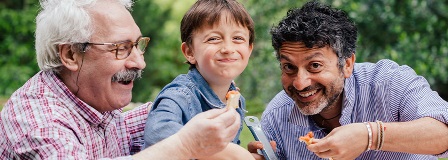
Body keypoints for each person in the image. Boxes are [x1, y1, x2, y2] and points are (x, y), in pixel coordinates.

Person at [0, 0, 242, 159]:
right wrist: (185, 145)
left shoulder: (94, 102)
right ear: (71, 54)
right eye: (121, 48)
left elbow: (141, 126)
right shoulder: (37, 122)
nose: (139, 62)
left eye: (138, 45)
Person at [248, 1, 448, 160]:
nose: (300, 83)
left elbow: (443, 132)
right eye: (289, 67)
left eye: (315, 66)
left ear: (347, 64)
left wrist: (370, 136)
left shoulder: (389, 83)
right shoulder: (276, 117)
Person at [143, 0, 254, 159]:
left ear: (249, 49)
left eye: (237, 38)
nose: (228, 49)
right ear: (189, 52)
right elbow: (157, 137)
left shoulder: (236, 100)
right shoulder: (179, 95)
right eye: (214, 39)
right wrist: (229, 153)